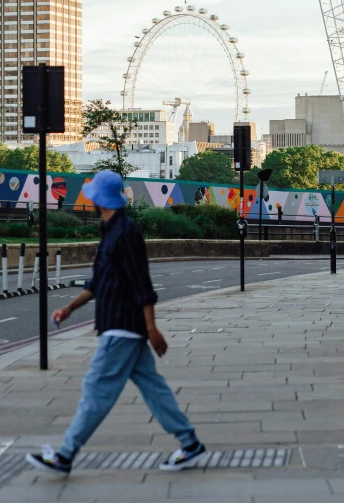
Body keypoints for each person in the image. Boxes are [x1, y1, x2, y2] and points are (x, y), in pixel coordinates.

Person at [26, 170, 206, 476]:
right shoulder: (110, 230)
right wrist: (69, 308)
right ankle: (190, 444)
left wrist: (151, 329)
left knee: (96, 388)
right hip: (121, 326)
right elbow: (98, 282)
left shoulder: (126, 233)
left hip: (123, 326)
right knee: (153, 388)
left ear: (99, 199)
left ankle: (65, 455)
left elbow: (142, 284)